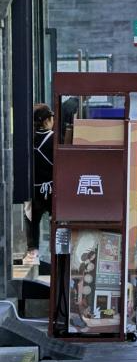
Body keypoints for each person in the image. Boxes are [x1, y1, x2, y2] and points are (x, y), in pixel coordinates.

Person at [24, 105, 55, 266]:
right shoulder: (53, 138)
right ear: (47, 120)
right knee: (55, 220)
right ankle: (55, 252)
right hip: (51, 189)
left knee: (32, 220)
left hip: (34, 189)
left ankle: (33, 253)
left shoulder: (30, 138)